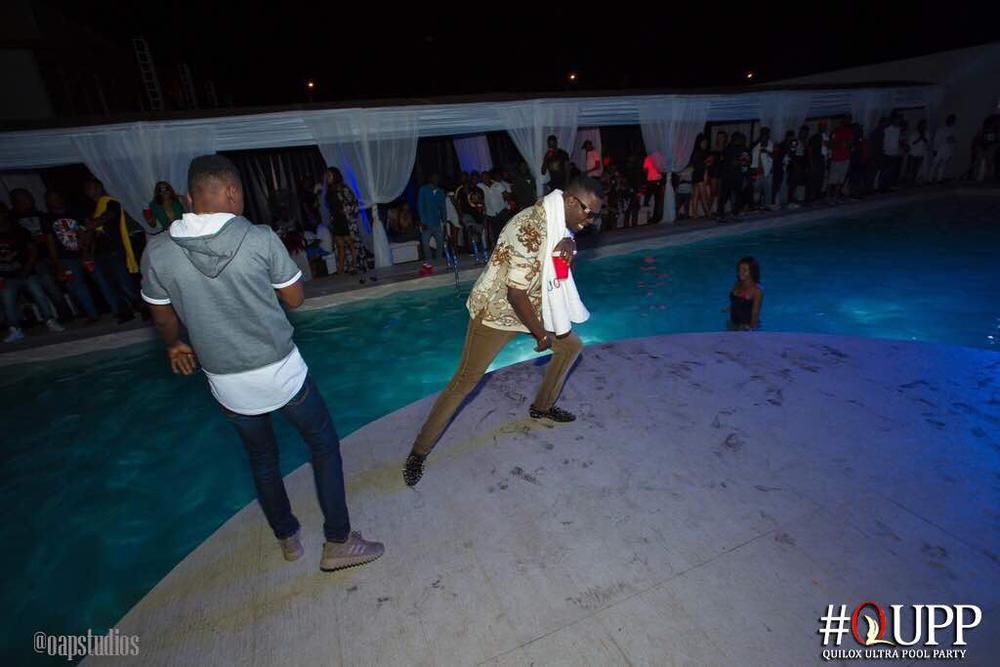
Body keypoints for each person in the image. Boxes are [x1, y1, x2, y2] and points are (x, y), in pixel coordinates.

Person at [140, 154, 384, 570]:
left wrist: (174, 344)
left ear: (188, 198)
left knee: (263, 460)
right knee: (323, 445)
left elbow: (162, 317)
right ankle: (338, 541)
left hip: (227, 382)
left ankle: (288, 538)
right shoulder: (259, 238)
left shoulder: (159, 251)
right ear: (233, 192)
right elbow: (295, 298)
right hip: (280, 371)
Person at [402, 177, 604, 487]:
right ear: (570, 201)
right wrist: (541, 336)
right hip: (496, 312)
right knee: (465, 381)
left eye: (595, 216)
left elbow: (561, 245)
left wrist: (571, 243)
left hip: (533, 306)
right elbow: (515, 294)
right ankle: (418, 452)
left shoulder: (558, 218)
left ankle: (542, 407)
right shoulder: (530, 227)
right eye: (589, 213)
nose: (590, 221)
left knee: (571, 347)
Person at [83, 179, 146, 322]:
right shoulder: (92, 208)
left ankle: (143, 307)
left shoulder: (111, 202)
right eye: (86, 188)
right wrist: (87, 252)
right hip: (99, 251)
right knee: (108, 284)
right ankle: (124, 311)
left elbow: (107, 216)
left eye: (90, 186)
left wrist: (93, 223)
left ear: (99, 187)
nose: (88, 190)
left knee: (124, 281)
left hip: (114, 248)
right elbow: (91, 231)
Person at [1, 204, 65, 342]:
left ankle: (50, 321)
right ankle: (15, 329)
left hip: (27, 272)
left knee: (39, 296)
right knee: (7, 302)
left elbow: (33, 251)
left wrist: (27, 269)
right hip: (7, 276)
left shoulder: (19, 230)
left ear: (5, 214)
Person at [9, 188, 69, 320]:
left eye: (29, 197)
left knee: (67, 279)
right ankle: (64, 313)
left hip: (53, 254)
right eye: (24, 199)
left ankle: (74, 309)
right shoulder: (11, 220)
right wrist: (33, 241)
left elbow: (53, 234)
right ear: (15, 202)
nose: (28, 201)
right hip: (34, 260)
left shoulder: (41, 215)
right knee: (48, 283)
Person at [43, 190, 101, 323]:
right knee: (77, 286)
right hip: (66, 258)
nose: (55, 201)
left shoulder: (76, 211)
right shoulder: (47, 219)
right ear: (48, 202)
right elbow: (50, 242)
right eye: (52, 199)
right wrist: (56, 263)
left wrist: (88, 250)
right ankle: (92, 314)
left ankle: (118, 308)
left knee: (101, 280)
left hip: (86, 253)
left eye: (57, 197)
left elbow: (89, 230)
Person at [322, 168, 357, 276]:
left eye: (329, 175)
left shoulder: (343, 188)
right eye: (327, 176)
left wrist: (346, 210)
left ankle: (355, 266)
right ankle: (341, 270)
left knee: (351, 244)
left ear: (335, 176)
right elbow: (329, 206)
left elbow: (353, 202)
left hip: (345, 219)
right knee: (340, 245)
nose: (327, 178)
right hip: (336, 220)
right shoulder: (329, 190)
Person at [417, 173, 448, 264]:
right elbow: (420, 206)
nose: (436, 179)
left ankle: (438, 260)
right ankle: (429, 261)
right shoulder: (423, 190)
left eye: (437, 178)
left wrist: (445, 222)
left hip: (436, 222)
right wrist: (422, 221)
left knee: (440, 243)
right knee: (425, 244)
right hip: (426, 222)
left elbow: (443, 208)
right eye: (434, 177)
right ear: (430, 178)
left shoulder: (440, 192)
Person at [727, 256, 763, 331]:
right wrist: (730, 308)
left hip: (746, 326)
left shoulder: (757, 291)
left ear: (752, 272)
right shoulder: (737, 284)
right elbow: (736, 300)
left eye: (744, 270)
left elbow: (755, 313)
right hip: (733, 323)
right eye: (739, 269)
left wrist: (751, 329)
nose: (740, 272)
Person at [827, 117, 854, 199]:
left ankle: (836, 196)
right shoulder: (836, 131)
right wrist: (840, 144)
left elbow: (850, 143)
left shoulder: (849, 131)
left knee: (841, 179)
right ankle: (828, 196)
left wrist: (847, 144)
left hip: (845, 157)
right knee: (832, 179)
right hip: (836, 158)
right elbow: (831, 144)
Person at [751, 127, 775, 210]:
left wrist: (767, 152)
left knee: (768, 192)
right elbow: (752, 159)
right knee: (756, 193)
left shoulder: (772, 145)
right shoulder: (756, 145)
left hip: (767, 173)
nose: (764, 136)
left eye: (766, 134)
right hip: (757, 173)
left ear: (768, 135)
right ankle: (756, 208)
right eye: (762, 134)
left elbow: (776, 157)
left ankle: (767, 208)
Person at [930, 114, 957, 183]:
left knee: (943, 165)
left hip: (948, 150)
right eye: (951, 120)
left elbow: (953, 141)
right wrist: (935, 149)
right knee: (934, 164)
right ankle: (929, 179)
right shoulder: (941, 130)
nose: (952, 122)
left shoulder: (953, 130)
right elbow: (936, 140)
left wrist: (951, 151)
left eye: (953, 120)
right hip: (940, 149)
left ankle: (939, 179)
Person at [689, 134, 711, 219]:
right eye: (703, 142)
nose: (705, 144)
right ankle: (708, 213)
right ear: (700, 143)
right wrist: (706, 163)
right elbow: (698, 165)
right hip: (699, 174)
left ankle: (695, 214)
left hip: (698, 174)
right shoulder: (698, 152)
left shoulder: (699, 152)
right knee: (703, 195)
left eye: (706, 143)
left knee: (696, 194)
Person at [641, 151, 665, 223]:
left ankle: (654, 216)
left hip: (651, 181)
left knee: (651, 198)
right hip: (657, 180)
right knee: (657, 200)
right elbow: (663, 170)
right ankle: (655, 216)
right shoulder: (660, 157)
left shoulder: (649, 158)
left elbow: (644, 170)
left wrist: (649, 173)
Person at [907, 119, 929, 184]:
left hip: (920, 154)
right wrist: (919, 139)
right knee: (910, 169)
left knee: (916, 169)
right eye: (923, 125)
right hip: (913, 153)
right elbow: (910, 143)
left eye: (925, 125)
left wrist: (924, 138)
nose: (924, 126)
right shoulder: (914, 133)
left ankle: (913, 181)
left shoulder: (926, 133)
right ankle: (908, 182)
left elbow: (927, 143)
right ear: (919, 125)